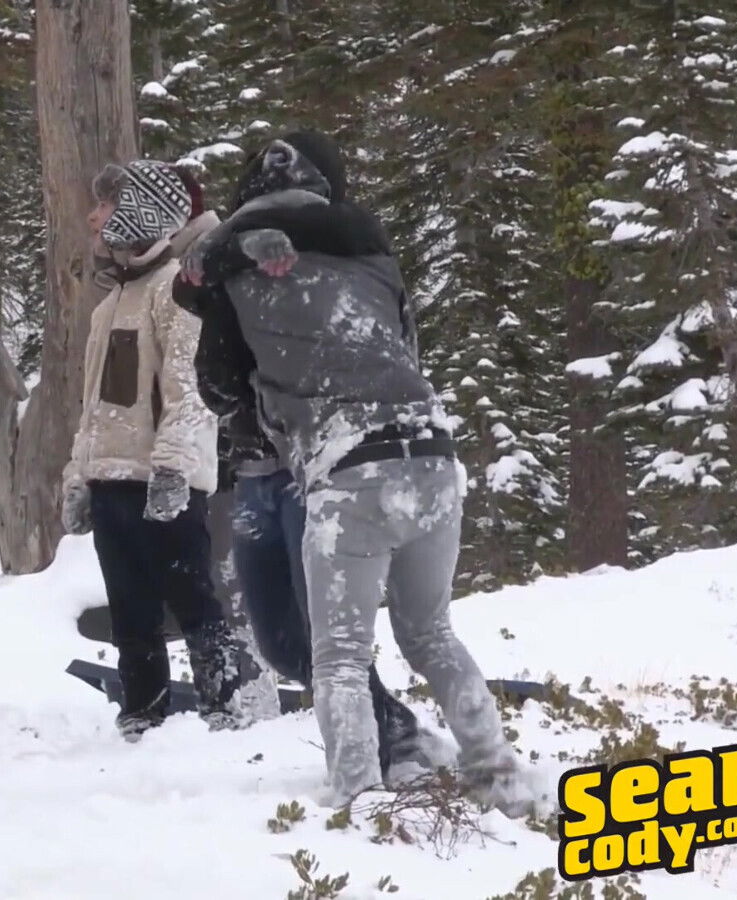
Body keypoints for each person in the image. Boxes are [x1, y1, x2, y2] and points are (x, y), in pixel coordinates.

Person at [173, 130, 536, 814]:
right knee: (430, 634)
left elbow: (218, 386)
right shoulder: (372, 253)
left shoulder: (235, 271)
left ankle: (360, 799)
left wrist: (226, 281)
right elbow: (407, 344)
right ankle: (498, 774)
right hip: (431, 450)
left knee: (338, 654)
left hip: (348, 465)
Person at [61, 159, 263, 740]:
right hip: (111, 482)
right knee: (130, 609)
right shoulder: (108, 305)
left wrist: (173, 467)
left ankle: (224, 705)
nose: (93, 217)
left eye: (106, 205)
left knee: (193, 597)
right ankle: (141, 715)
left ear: (137, 214)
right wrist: (79, 476)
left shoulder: (174, 292)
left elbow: (188, 390)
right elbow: (94, 409)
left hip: (163, 480)